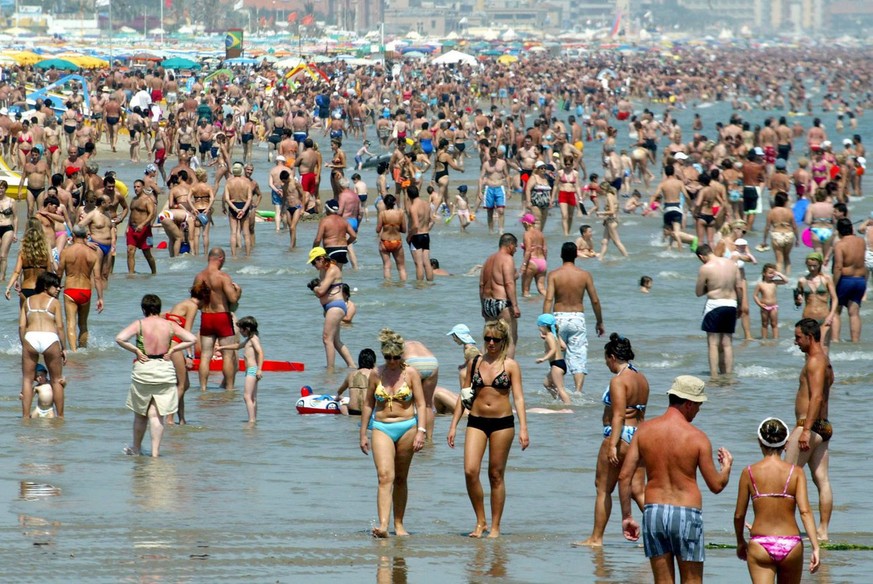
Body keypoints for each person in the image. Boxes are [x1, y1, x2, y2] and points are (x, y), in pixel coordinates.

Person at [619, 376, 733, 584]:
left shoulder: (644, 430)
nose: (699, 410)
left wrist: (627, 515)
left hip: (653, 512)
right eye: (698, 405)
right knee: (692, 580)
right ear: (689, 403)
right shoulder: (697, 437)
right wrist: (726, 468)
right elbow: (716, 485)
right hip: (686, 512)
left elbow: (624, 476)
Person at [447, 319, 529, 538]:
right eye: (487, 338)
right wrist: (453, 425)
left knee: (495, 475)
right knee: (470, 471)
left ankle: (495, 527)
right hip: (476, 420)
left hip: (503, 423)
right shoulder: (475, 363)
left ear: (503, 341)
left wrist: (524, 428)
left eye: (496, 339)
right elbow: (463, 396)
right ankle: (480, 521)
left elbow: (519, 398)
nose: (491, 343)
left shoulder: (510, 365)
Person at [578, 333, 649, 546]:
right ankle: (662, 532)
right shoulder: (641, 378)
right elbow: (640, 414)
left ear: (611, 357)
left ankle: (596, 538)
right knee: (638, 490)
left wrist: (612, 445)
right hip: (639, 436)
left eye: (605, 359)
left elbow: (618, 414)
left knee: (602, 488)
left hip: (620, 437)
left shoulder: (619, 381)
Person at [733, 417, 821, 583]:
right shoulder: (796, 473)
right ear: (786, 444)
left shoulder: (749, 473)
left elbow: (739, 515)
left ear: (760, 441)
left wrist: (740, 542)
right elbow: (805, 511)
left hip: (760, 543)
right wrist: (816, 547)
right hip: (791, 544)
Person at [359, 329, 427, 538]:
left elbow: (422, 404)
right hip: (381, 427)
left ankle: (399, 524)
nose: (392, 362)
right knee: (384, 476)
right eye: (387, 357)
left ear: (401, 355)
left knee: (400, 478)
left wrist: (421, 432)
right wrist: (362, 433)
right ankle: (383, 525)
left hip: (407, 426)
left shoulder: (411, 373)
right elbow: (369, 403)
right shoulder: (376, 374)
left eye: (396, 357)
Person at [115, 294, 196, 457]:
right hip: (164, 369)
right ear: (159, 309)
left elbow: (120, 338)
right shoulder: (170, 324)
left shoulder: (139, 324)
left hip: (144, 368)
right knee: (157, 415)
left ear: (144, 309)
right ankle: (155, 452)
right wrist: (173, 350)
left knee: (140, 414)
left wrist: (137, 350)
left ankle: (136, 449)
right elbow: (192, 339)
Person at [784, 318, 833, 542]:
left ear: (810, 337)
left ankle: (782, 526)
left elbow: (817, 397)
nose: (795, 342)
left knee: (785, 477)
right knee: (821, 479)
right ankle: (823, 530)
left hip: (809, 425)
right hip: (823, 426)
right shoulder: (826, 360)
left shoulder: (814, 361)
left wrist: (803, 430)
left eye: (798, 337)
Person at [542, 242, 605, 393]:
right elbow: (595, 300)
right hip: (577, 318)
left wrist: (545, 325)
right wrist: (599, 321)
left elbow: (549, 300)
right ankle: (577, 392)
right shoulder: (584, 275)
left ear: (561, 255)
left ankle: (559, 392)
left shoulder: (554, 275)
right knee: (578, 356)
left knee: (557, 357)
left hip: (558, 319)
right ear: (576, 255)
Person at [192, 248, 242, 391]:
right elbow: (232, 298)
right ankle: (230, 389)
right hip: (222, 317)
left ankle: (202, 389)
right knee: (228, 355)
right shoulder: (223, 277)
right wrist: (239, 292)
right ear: (220, 258)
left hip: (207, 317)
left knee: (205, 356)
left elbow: (197, 302)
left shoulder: (199, 277)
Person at [19, 272, 66, 418]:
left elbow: (21, 326)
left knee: (27, 379)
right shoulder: (55, 303)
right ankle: (60, 417)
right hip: (50, 338)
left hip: (30, 337)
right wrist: (64, 348)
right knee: (56, 380)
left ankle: (26, 417)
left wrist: (24, 343)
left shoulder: (27, 301)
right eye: (56, 286)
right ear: (46, 286)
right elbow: (59, 327)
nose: (59, 289)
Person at [164, 282, 210, 425]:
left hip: (168, 344)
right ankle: (169, 418)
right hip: (176, 345)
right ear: (204, 298)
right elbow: (187, 333)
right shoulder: (193, 306)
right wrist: (189, 356)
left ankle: (182, 419)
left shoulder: (181, 303)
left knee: (179, 384)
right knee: (184, 384)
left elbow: (166, 317)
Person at [695, 243, 742, 378]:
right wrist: (739, 305)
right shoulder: (732, 264)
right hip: (731, 303)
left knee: (713, 344)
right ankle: (728, 375)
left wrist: (709, 288)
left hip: (714, 305)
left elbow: (698, 292)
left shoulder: (705, 268)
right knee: (727, 343)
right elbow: (739, 287)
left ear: (702, 256)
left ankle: (714, 376)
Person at [58, 225, 105, 351]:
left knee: (71, 324)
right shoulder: (92, 253)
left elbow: (59, 272)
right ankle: (83, 349)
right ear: (86, 236)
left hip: (70, 290)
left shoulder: (66, 252)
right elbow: (97, 278)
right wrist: (100, 298)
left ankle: (73, 352)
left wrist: (55, 290)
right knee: (83, 324)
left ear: (73, 235)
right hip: (85, 292)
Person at [308, 246, 354, 370]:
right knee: (335, 341)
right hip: (329, 308)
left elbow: (321, 291)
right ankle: (352, 366)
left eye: (314, 262)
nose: (314, 265)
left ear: (322, 259)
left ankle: (330, 369)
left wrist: (314, 287)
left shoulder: (332, 270)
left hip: (336, 306)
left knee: (326, 339)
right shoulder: (322, 271)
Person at [216, 316, 263, 424]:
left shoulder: (253, 340)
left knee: (246, 396)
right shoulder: (249, 340)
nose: (240, 332)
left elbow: (260, 352)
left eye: (241, 329)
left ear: (247, 329)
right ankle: (253, 419)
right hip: (252, 370)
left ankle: (251, 420)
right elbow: (237, 346)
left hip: (252, 370)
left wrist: (259, 369)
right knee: (252, 397)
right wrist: (222, 348)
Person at [480, 233, 521, 358]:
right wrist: (515, 306)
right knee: (510, 339)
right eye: (515, 247)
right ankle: (507, 372)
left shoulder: (488, 260)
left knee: (489, 339)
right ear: (510, 245)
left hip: (487, 303)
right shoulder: (507, 258)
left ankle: (483, 369)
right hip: (502, 303)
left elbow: (481, 284)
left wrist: (483, 306)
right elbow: (508, 283)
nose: (516, 250)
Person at [831, 217, 866, 343]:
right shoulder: (861, 241)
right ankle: (855, 341)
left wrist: (833, 285)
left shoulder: (839, 245)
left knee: (835, 311)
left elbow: (838, 267)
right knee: (854, 313)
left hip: (845, 280)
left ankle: (835, 340)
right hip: (860, 280)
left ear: (839, 231)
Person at [792, 252, 836, 351]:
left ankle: (825, 366)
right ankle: (809, 366)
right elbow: (797, 303)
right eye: (809, 266)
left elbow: (835, 299)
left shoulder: (826, 279)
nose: (812, 268)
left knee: (823, 347)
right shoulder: (802, 281)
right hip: (808, 318)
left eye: (814, 266)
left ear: (820, 264)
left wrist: (831, 315)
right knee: (809, 348)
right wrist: (798, 301)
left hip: (824, 317)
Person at [403, 339, 440, 440]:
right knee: (427, 404)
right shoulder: (419, 344)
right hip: (431, 362)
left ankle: (411, 436)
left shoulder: (401, 345)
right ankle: (429, 438)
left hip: (412, 361)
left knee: (409, 401)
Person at [534, 313, 570, 404]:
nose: (538, 328)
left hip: (556, 365)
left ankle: (568, 406)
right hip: (561, 363)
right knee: (547, 384)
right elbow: (564, 347)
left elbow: (553, 350)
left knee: (560, 388)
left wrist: (544, 358)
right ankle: (559, 401)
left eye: (539, 326)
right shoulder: (554, 335)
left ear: (543, 326)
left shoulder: (549, 336)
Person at [376, 194, 407, 281]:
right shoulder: (400, 213)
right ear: (394, 203)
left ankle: (388, 285)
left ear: (385, 204)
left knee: (387, 266)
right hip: (397, 241)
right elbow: (404, 230)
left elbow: (378, 230)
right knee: (401, 267)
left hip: (385, 241)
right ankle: (403, 286)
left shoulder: (382, 214)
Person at [753, 264, 788, 340]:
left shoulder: (774, 282)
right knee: (764, 324)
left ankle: (775, 338)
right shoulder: (760, 284)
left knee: (774, 324)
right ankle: (764, 339)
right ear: (764, 273)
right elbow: (755, 295)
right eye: (770, 273)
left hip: (773, 307)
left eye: (773, 273)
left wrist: (779, 274)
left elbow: (786, 281)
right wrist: (759, 304)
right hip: (764, 306)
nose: (772, 275)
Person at [336, 348, 376, 415]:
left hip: (353, 411)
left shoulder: (351, 375)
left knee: (343, 406)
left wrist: (339, 396)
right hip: (369, 411)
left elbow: (340, 391)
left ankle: (346, 415)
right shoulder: (375, 375)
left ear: (359, 362)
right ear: (373, 362)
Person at [520, 213, 547, 298]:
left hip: (532, 261)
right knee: (542, 289)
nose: (522, 225)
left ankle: (528, 309)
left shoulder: (527, 234)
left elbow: (528, 251)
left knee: (526, 290)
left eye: (523, 223)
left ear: (527, 223)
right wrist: (544, 261)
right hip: (542, 262)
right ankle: (550, 300)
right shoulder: (540, 233)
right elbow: (545, 249)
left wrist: (524, 265)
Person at [447, 323, 481, 389]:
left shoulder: (469, 349)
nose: (454, 340)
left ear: (459, 336)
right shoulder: (467, 346)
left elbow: (476, 362)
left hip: (474, 375)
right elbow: (470, 360)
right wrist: (464, 365)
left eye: (454, 337)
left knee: (462, 375)